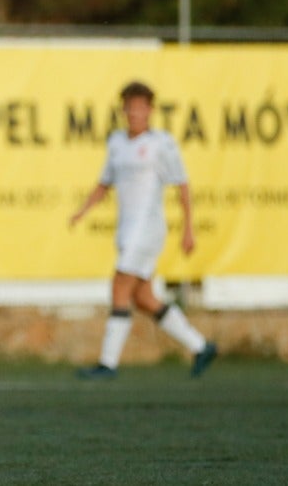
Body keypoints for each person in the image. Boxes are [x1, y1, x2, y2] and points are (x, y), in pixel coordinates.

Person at [69, 80, 218, 380]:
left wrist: (188, 229)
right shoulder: (117, 143)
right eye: (130, 107)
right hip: (126, 230)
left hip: (148, 230)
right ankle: (201, 346)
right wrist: (83, 211)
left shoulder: (161, 144)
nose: (135, 113)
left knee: (119, 286)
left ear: (149, 110)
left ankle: (107, 364)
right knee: (144, 298)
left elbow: (182, 185)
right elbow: (104, 183)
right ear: (123, 110)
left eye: (141, 107)